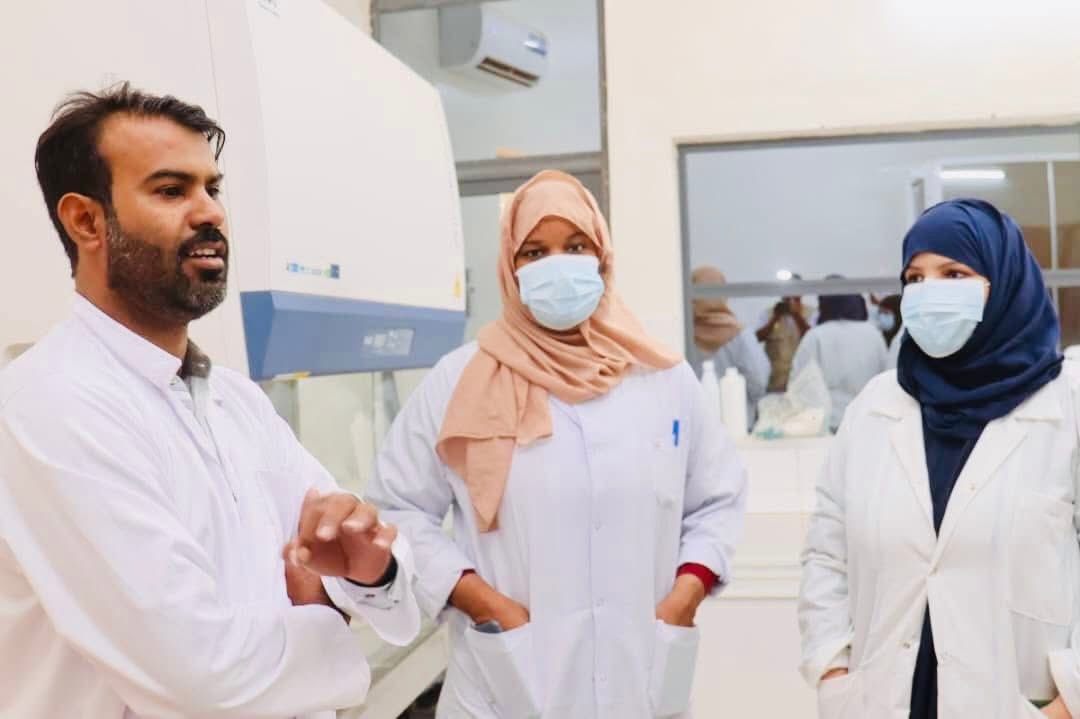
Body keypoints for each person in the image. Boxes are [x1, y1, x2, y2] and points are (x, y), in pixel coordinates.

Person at [0, 84, 421, 717]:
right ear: (86, 221)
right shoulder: (51, 406)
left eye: (212, 188)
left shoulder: (232, 399)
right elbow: (200, 677)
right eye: (172, 191)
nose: (211, 213)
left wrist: (366, 572)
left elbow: (380, 558)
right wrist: (329, 622)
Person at [365, 170, 748, 718]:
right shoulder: (459, 379)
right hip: (508, 682)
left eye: (575, 246)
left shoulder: (662, 377)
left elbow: (717, 499)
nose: (558, 265)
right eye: (535, 252)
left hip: (639, 675)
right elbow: (397, 507)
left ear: (602, 257)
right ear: (510, 266)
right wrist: (482, 602)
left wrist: (686, 595)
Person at [798, 199, 1077, 719]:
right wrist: (832, 668)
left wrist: (1067, 704)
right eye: (915, 278)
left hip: (1021, 701)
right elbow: (826, 553)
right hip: (887, 697)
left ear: (1005, 281)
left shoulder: (1067, 406)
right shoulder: (876, 406)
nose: (930, 292)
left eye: (953, 274)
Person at [791, 289, 887, 431]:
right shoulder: (873, 334)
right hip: (868, 421)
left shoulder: (815, 335)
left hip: (827, 423)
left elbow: (799, 383)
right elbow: (886, 376)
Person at [691, 265, 770, 428]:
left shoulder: (684, 334)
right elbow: (759, 382)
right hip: (736, 430)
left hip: (696, 430)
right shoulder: (740, 333)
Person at [756, 275, 814, 392]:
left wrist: (796, 315)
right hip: (775, 382)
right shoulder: (769, 313)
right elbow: (757, 338)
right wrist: (775, 318)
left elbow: (812, 338)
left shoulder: (812, 313)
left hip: (803, 382)